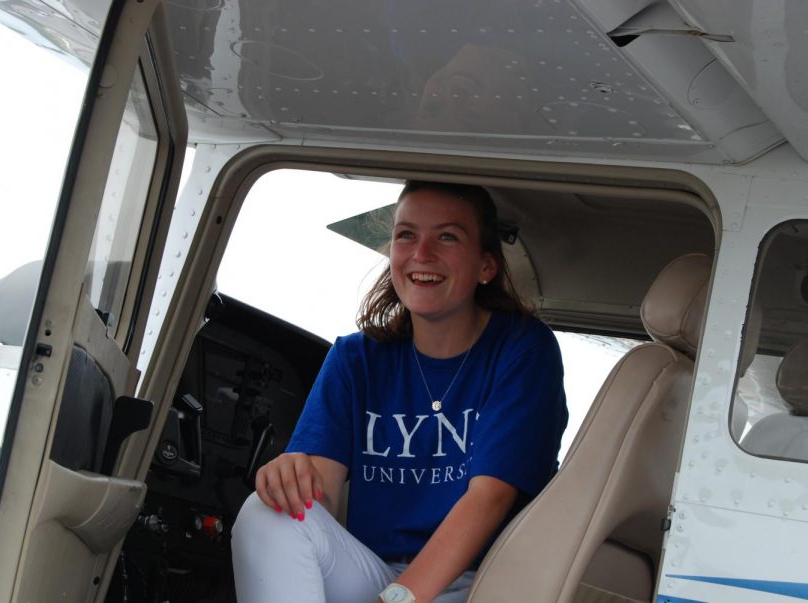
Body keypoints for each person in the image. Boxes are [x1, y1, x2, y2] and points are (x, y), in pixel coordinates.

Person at [231, 181, 567, 603]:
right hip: (372, 572)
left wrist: (398, 599)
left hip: (473, 584)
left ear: (486, 265)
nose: (421, 254)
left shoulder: (521, 348)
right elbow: (320, 499)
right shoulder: (356, 358)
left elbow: (490, 497)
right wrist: (287, 477)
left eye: (447, 236)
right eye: (406, 235)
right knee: (269, 513)